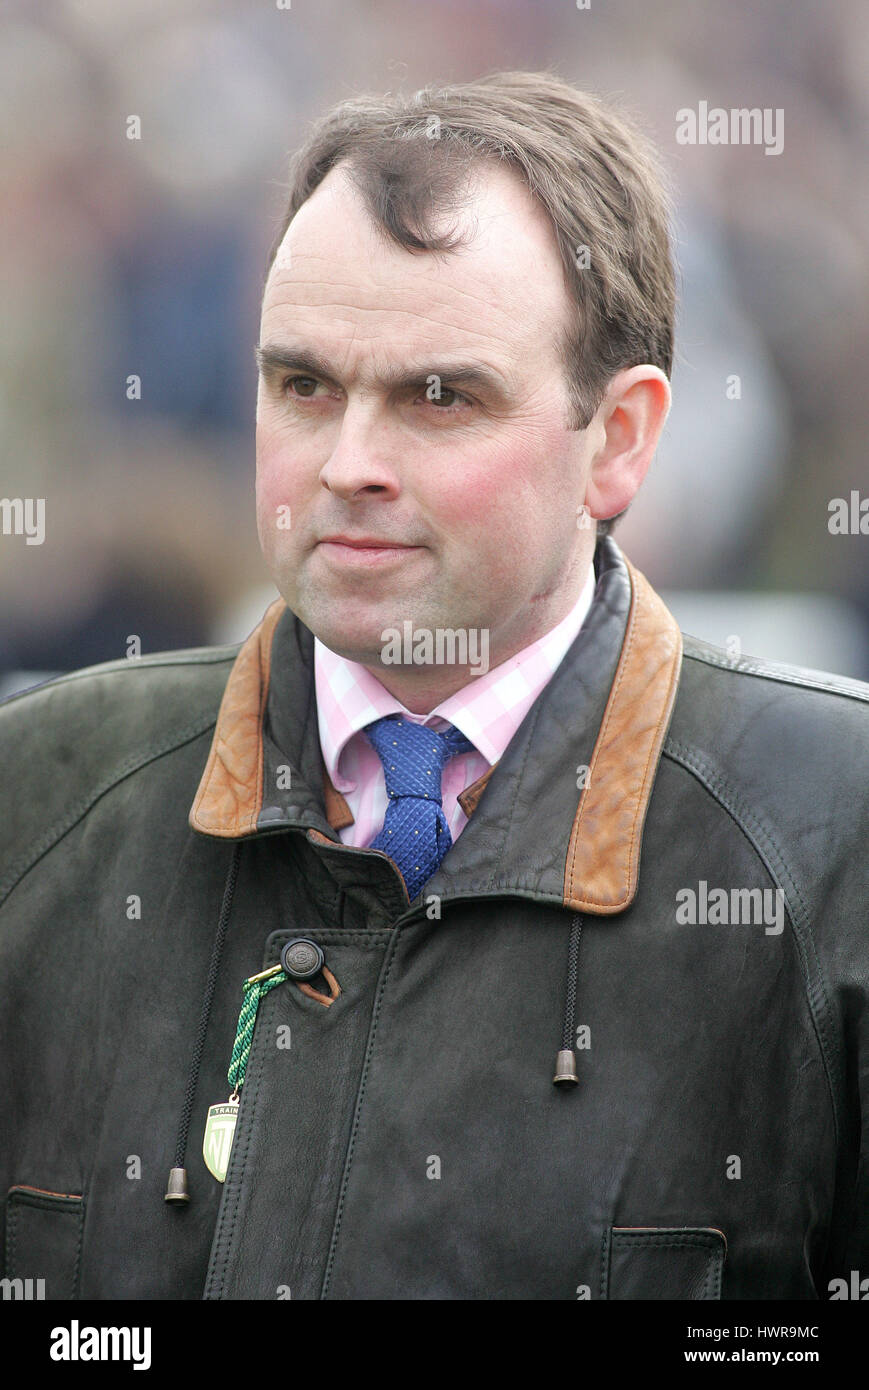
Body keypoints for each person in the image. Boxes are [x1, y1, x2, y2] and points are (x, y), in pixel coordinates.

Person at [1, 70, 866, 1303]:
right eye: (302, 385)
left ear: (617, 439)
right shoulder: (36, 799)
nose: (347, 463)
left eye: (438, 396)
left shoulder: (833, 840)